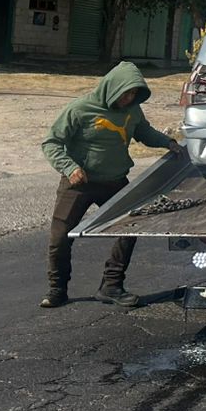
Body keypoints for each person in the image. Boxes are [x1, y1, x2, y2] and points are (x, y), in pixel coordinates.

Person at [40, 61, 181, 309]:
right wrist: (70, 167)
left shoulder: (133, 111)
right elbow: (51, 143)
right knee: (60, 237)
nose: (128, 99)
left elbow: (144, 132)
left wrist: (168, 143)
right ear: (112, 88)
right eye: (125, 93)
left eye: (133, 94)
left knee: (130, 228)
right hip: (79, 183)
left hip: (115, 182)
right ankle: (57, 289)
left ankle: (111, 286)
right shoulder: (80, 109)